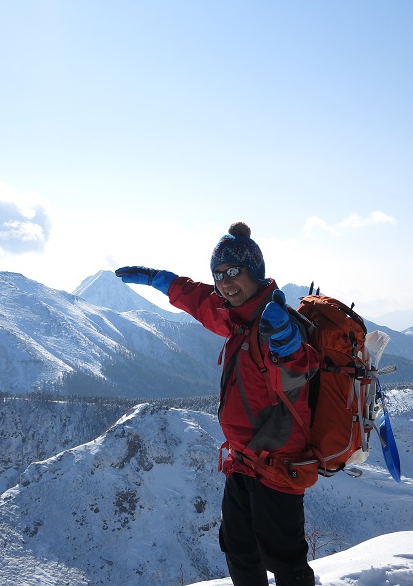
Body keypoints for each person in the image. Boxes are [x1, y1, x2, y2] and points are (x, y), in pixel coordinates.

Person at [115, 221, 318, 586]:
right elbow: (201, 301)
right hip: (242, 462)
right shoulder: (236, 319)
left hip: (277, 465)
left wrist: (286, 345)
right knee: (239, 549)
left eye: (233, 272)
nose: (225, 281)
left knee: (284, 560)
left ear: (255, 271)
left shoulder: (276, 322)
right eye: (219, 273)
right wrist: (159, 279)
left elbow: (297, 373)